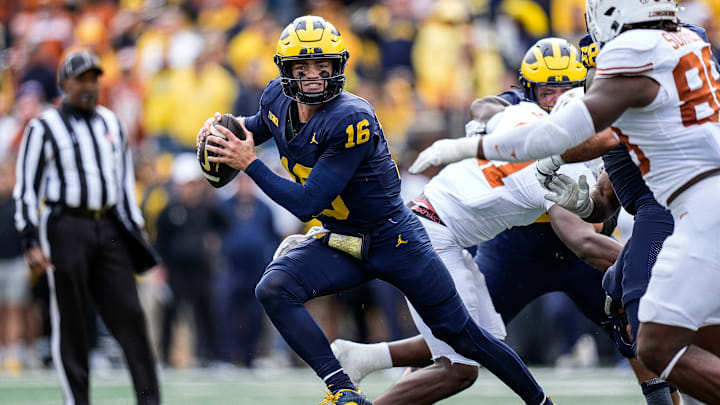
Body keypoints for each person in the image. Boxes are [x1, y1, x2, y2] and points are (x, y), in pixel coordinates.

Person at [198, 15, 553, 405]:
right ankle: (345, 391)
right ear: (287, 71)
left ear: (339, 68)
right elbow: (252, 128)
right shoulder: (275, 100)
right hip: (340, 239)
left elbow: (307, 202)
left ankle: (540, 403)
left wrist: (249, 162)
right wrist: (220, 133)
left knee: (463, 335)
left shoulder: (351, 119)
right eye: (303, 68)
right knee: (274, 289)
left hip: (393, 239)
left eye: (323, 66)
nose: (314, 76)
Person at [408, 1, 720, 402]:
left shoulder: (631, 54)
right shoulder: (686, 42)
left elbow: (567, 138)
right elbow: (608, 192)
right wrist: (585, 201)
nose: (562, 95)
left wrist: (468, 146)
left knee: (656, 342)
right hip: (680, 200)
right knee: (641, 300)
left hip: (687, 203)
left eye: (575, 83)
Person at [328, 39, 624, 405]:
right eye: (550, 92)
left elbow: (489, 112)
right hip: (433, 235)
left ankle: (365, 355)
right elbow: (585, 240)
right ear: (531, 91)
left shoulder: (517, 117)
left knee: (483, 340)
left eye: (566, 92)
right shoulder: (548, 159)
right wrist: (650, 265)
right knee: (460, 367)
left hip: (436, 228)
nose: (557, 100)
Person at [13, 50, 160, 405]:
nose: (89, 86)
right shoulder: (43, 126)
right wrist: (31, 239)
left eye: (94, 78)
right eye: (81, 79)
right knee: (73, 321)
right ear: (64, 83)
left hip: (108, 226)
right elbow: (26, 188)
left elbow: (124, 185)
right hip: (66, 225)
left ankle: (150, 401)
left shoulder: (111, 122)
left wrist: (136, 234)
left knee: (131, 318)